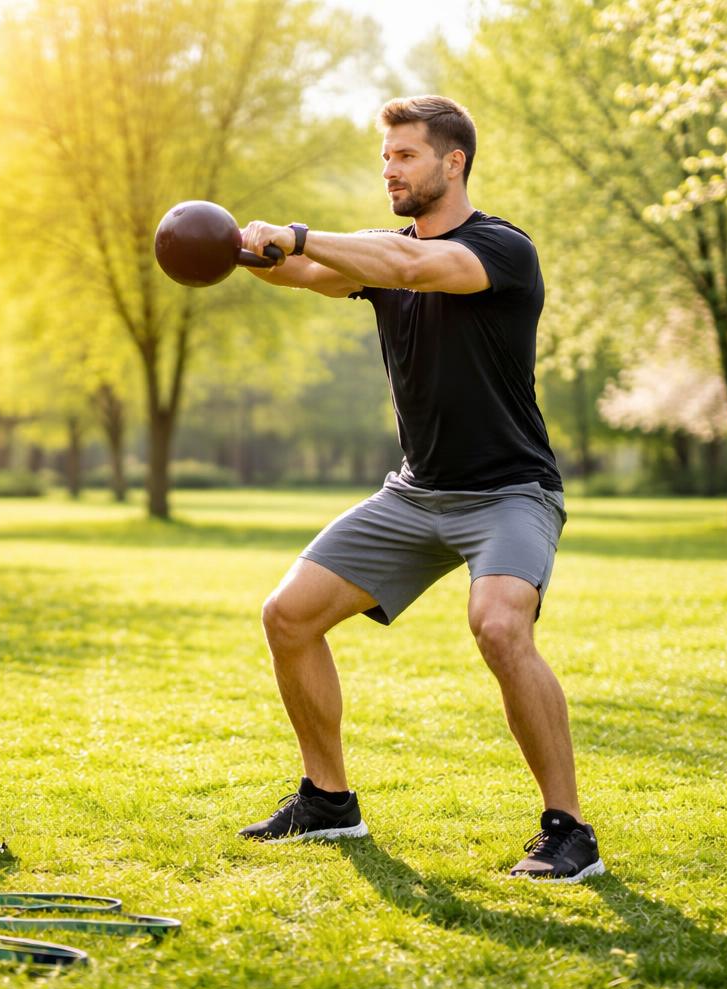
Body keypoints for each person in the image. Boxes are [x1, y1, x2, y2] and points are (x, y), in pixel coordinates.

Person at [234, 95, 603, 883]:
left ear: (453, 162)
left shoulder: (501, 249)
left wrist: (296, 233)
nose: (390, 171)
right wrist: (239, 250)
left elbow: (409, 267)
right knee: (288, 616)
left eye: (404, 156)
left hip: (510, 491)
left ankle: (569, 830)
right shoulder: (379, 254)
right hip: (416, 494)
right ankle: (328, 803)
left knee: (500, 627)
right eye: (385, 159)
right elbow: (306, 274)